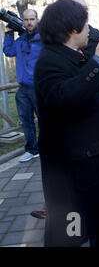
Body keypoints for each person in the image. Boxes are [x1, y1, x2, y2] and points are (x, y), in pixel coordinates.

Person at [34, 0, 99, 246]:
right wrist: (97, 63)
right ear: (71, 30)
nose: (90, 30)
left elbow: (84, 94)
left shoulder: (76, 55)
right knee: (71, 234)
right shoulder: (49, 61)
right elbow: (64, 98)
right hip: (73, 170)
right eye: (86, 25)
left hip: (94, 158)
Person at [3, 9, 42, 163]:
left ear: (37, 19)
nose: (29, 22)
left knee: (45, 120)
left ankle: (50, 147)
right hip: (23, 88)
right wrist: (8, 34)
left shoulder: (44, 39)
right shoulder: (21, 40)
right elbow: (8, 51)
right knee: (26, 121)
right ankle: (32, 150)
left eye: (32, 19)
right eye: (26, 20)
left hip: (39, 87)